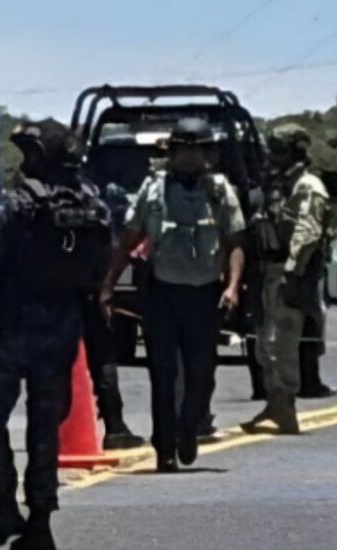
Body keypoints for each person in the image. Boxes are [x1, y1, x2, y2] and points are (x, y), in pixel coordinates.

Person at [0, 120, 111, 550]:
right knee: (44, 429)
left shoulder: (20, 205)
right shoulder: (93, 206)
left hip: (17, 328)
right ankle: (41, 522)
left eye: (30, 154)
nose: (24, 163)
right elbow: (97, 271)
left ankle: (5, 507)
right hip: (62, 331)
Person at [102, 118, 246, 472]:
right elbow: (130, 239)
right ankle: (165, 446)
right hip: (162, 293)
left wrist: (232, 286)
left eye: (197, 149)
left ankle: (189, 429)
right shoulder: (153, 190)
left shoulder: (220, 191)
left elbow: (236, 243)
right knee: (162, 373)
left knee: (201, 372)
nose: (190, 157)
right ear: (174, 152)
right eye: (184, 149)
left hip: (205, 295)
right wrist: (108, 284)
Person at [241, 123, 332, 436]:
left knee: (282, 345)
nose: (273, 156)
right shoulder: (277, 186)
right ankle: (274, 405)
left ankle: (286, 408)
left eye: (279, 149)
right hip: (268, 270)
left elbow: (308, 233)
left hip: (290, 272)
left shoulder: (308, 186)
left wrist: (293, 273)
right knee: (264, 347)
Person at [85, 183, 144, 451]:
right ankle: (114, 424)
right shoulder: (89, 201)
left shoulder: (33, 202)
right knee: (102, 358)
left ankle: (114, 425)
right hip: (85, 290)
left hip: (55, 295)